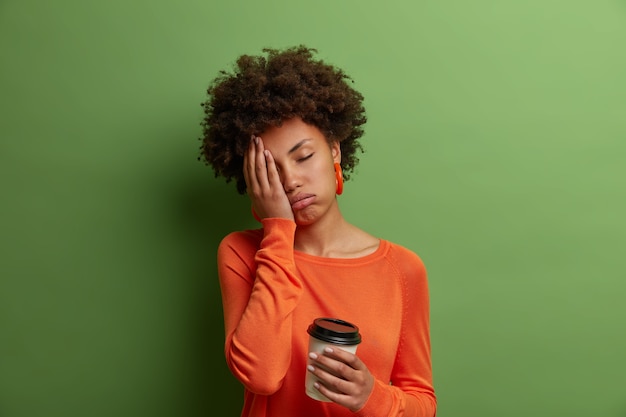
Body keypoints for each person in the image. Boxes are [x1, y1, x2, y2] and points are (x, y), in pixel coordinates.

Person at [199, 45, 436, 417]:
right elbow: (262, 377)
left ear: (335, 151)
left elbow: (423, 403)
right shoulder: (241, 253)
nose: (291, 181)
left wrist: (371, 396)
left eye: (304, 156)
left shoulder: (403, 270)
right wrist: (278, 229)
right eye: (271, 170)